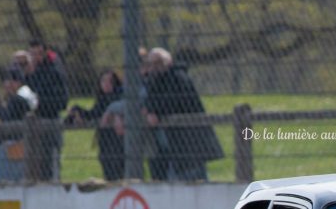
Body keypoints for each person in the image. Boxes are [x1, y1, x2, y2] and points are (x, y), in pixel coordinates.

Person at [142, 48, 223, 181]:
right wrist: (151, 110)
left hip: (190, 141)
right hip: (175, 146)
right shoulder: (156, 80)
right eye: (151, 63)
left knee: (191, 181)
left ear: (167, 62)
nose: (153, 67)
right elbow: (150, 98)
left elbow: (174, 100)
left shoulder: (178, 77)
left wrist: (156, 112)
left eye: (157, 63)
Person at [66, 70, 124, 181]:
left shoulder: (119, 96)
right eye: (103, 81)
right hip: (105, 138)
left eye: (110, 81)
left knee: (117, 164)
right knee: (105, 162)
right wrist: (77, 110)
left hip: (117, 139)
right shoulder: (101, 98)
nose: (106, 84)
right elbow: (94, 114)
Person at [25, 39, 68, 181]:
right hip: (35, 120)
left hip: (50, 117)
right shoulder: (32, 69)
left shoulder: (53, 69)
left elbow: (59, 99)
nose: (35, 57)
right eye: (32, 54)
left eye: (38, 54)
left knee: (50, 162)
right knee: (36, 163)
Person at [0, 68, 38, 183]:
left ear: (16, 83)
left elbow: (6, 118)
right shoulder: (23, 95)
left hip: (15, 142)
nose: (5, 85)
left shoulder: (17, 99)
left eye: (8, 81)